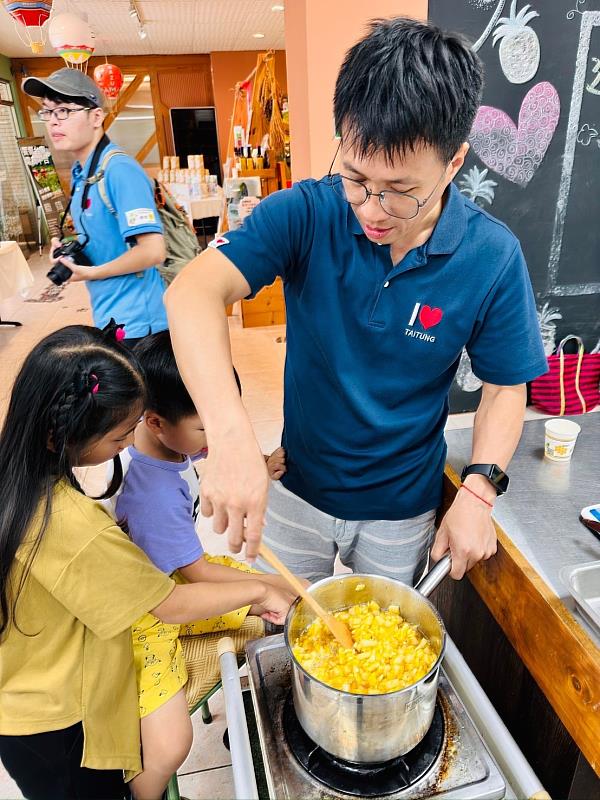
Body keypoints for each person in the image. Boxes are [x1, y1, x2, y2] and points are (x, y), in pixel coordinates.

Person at [165, 17, 548, 584]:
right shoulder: (306, 212)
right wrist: (229, 435)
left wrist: (480, 489)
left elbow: (505, 386)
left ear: (454, 164)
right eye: (356, 177)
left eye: (401, 192)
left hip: (402, 507)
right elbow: (192, 291)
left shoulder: (491, 254)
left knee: (379, 652)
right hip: (296, 487)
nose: (370, 209)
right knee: (286, 626)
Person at [0, 326, 293, 800]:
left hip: (29, 689)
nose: (129, 443)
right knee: (155, 752)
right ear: (66, 434)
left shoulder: (22, 474)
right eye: (120, 436)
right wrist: (259, 591)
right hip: (53, 719)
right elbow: (171, 602)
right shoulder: (77, 526)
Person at [103, 331, 291, 798]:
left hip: (175, 569)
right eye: (206, 428)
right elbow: (195, 575)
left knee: (274, 595)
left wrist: (252, 468)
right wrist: (267, 584)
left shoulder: (165, 446)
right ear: (155, 420)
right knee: (169, 745)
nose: (218, 438)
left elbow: (197, 477)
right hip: (143, 612)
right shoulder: (151, 494)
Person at [22, 68, 168, 346]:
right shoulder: (84, 172)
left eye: (64, 111)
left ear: (96, 117)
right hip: (110, 315)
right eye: (47, 112)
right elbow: (104, 235)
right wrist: (69, 248)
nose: (53, 122)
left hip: (141, 324)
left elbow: (153, 251)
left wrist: (90, 273)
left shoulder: (119, 170)